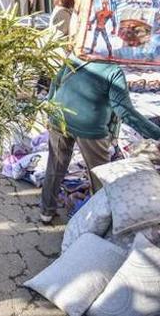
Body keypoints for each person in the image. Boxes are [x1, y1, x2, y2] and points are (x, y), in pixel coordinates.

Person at [40, 56, 160, 224]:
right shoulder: (113, 71)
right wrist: (155, 133)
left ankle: (46, 211)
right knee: (100, 176)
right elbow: (124, 111)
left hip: (59, 117)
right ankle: (97, 222)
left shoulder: (75, 58)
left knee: (55, 166)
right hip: (90, 127)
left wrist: (50, 111)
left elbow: (55, 85)